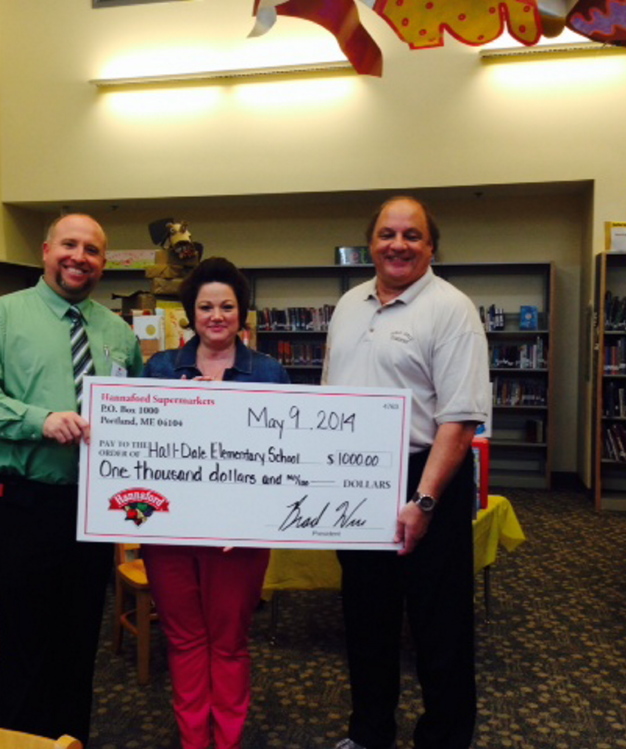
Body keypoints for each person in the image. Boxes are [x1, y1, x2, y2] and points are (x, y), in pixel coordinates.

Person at [0, 212, 143, 744]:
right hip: (21, 505)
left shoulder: (119, 334)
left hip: (90, 511)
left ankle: (67, 742)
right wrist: (40, 420)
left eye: (92, 250)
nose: (79, 257)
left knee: (78, 644)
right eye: (70, 244)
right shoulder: (3, 317)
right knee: (24, 645)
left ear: (104, 263)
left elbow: (141, 415)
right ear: (45, 250)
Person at [324, 197, 490, 749]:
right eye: (388, 234)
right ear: (370, 243)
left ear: (431, 246)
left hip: (426, 477)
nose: (398, 245)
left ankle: (443, 738)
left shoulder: (452, 309)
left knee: (438, 625)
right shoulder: (349, 304)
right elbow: (331, 397)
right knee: (366, 617)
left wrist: (422, 501)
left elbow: (461, 418)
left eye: (412, 236)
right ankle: (369, 733)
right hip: (355, 477)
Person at [140, 257, 289, 749]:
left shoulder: (268, 372)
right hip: (170, 532)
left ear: (242, 313)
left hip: (238, 537)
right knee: (183, 641)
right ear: (191, 313)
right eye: (206, 306)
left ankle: (226, 741)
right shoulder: (161, 369)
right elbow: (138, 444)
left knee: (228, 643)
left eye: (227, 306)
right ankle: (193, 741)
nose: (216, 315)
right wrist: (181, 409)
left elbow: (285, 459)